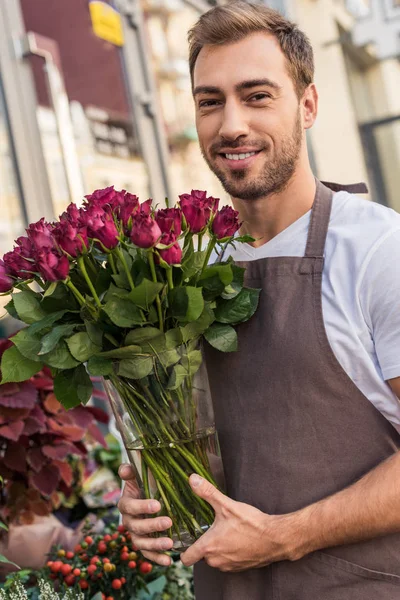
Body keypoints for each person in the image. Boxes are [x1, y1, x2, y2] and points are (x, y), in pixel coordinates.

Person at [117, 2, 400, 598]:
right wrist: (148, 493)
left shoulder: (376, 250)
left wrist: (286, 535)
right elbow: (192, 433)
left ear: (309, 105)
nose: (231, 125)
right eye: (210, 101)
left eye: (257, 95)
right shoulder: (185, 267)